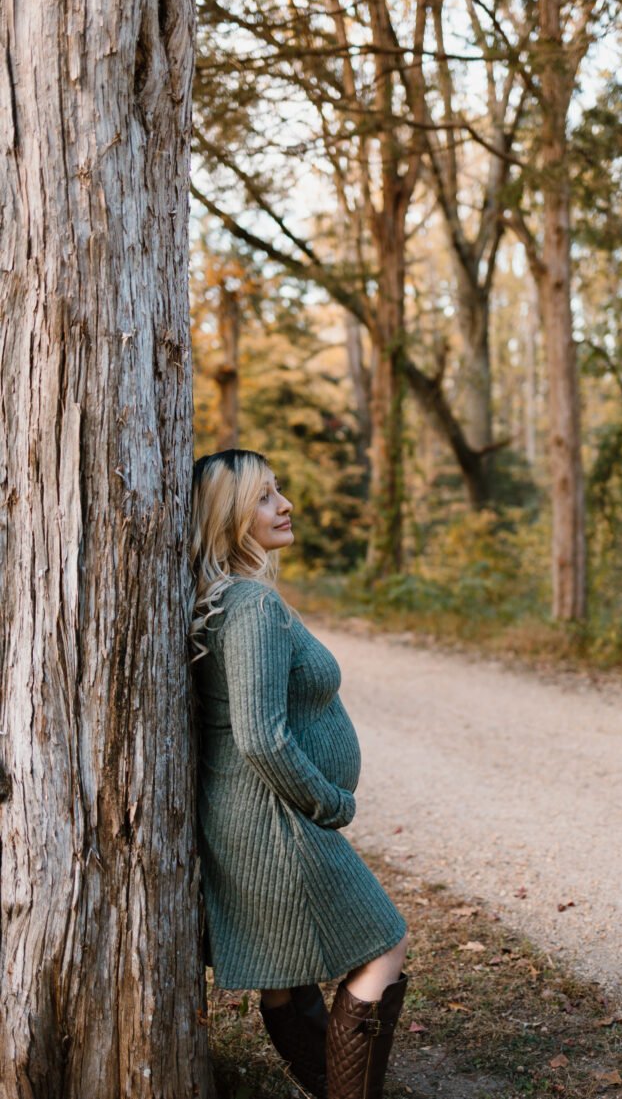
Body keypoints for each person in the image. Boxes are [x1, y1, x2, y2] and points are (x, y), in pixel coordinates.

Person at [187, 448, 409, 1099]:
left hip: (250, 816)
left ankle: (332, 1085)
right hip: (276, 820)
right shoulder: (253, 605)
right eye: (263, 496)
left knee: (285, 975)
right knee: (384, 947)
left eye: (278, 491)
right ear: (228, 516)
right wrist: (329, 801)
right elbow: (261, 736)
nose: (283, 505)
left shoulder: (222, 600)